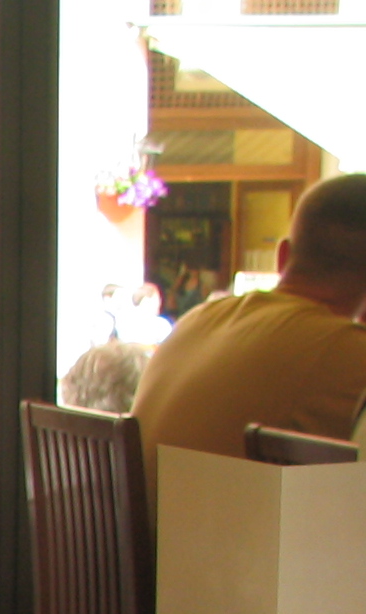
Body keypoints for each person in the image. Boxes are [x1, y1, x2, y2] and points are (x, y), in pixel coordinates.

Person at [132, 174, 366, 509]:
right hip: (215, 556)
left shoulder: (200, 317)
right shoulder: (344, 351)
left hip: (142, 552)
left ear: (282, 256)